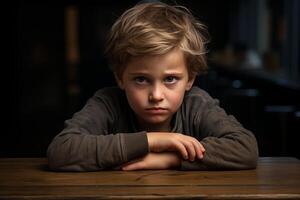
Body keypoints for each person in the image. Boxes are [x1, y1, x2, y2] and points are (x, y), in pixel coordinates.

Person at [47, 2, 258, 171]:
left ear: (190, 79)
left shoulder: (196, 104)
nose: (156, 95)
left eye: (170, 79)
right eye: (141, 79)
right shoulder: (107, 103)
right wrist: (152, 141)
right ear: (120, 78)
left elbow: (245, 148)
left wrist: (169, 159)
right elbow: (61, 151)